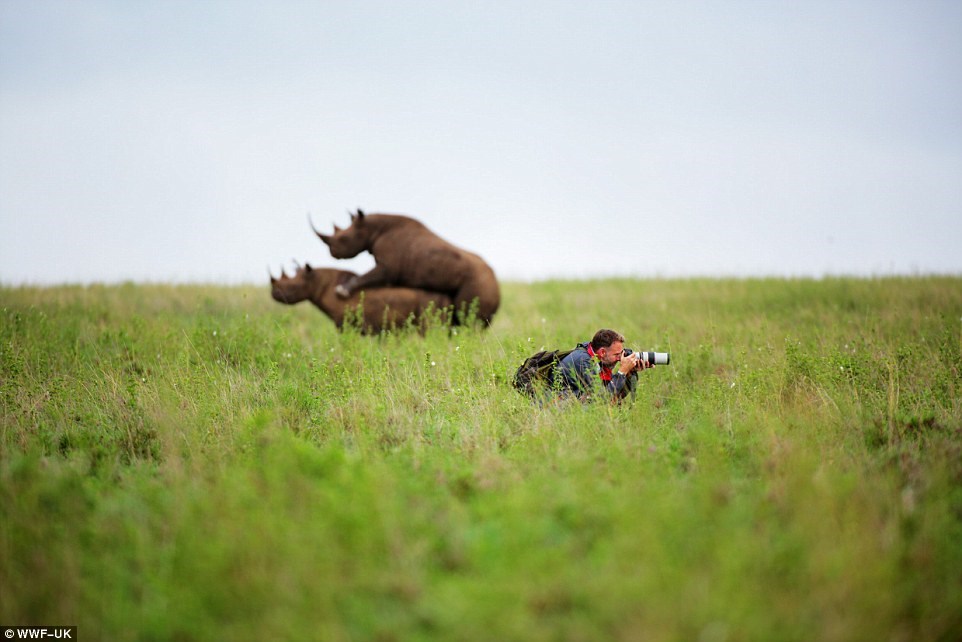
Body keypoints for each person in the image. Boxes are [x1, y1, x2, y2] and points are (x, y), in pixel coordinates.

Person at [557, 328, 654, 403]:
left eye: (621, 354)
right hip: (554, 406)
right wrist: (621, 372)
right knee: (592, 403)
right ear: (602, 352)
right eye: (616, 355)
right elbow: (602, 398)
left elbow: (616, 395)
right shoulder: (583, 360)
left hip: (568, 403)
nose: (619, 358)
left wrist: (630, 373)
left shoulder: (597, 359)